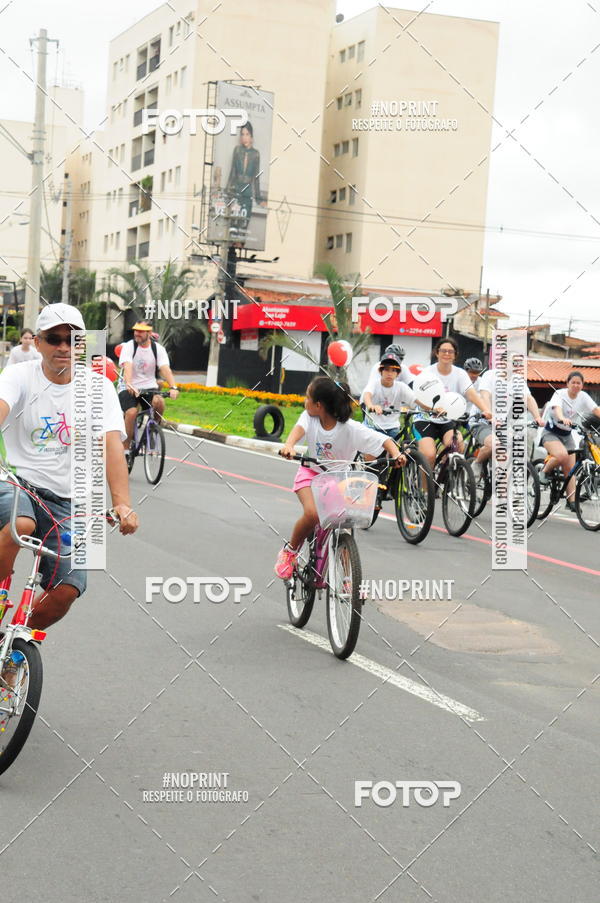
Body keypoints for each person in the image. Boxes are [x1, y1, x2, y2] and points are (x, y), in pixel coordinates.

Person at [0, 302, 139, 637]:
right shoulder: (19, 375)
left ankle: (14, 643)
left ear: (82, 343)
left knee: (69, 589)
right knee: (20, 522)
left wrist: (123, 503)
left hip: (72, 500)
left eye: (72, 339)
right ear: (38, 343)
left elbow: (111, 446)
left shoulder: (99, 387)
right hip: (19, 481)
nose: (63, 346)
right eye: (54, 338)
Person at [275, 376, 406, 579]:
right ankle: (290, 551)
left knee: (345, 525)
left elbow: (385, 440)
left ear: (318, 405)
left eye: (307, 397)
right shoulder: (310, 418)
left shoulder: (351, 428)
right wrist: (289, 445)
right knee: (312, 514)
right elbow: (297, 432)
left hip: (337, 481)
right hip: (310, 474)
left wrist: (396, 454)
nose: (304, 400)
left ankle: (348, 579)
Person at [413, 337, 491, 472]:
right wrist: (432, 408)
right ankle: (426, 492)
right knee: (429, 455)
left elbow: (471, 394)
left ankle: (445, 478)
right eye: (443, 351)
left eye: (451, 351)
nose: (447, 354)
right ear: (437, 353)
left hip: (446, 420)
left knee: (458, 446)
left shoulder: (460, 374)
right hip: (425, 419)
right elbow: (417, 397)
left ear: (455, 355)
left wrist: (486, 410)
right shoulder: (428, 372)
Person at [538, 371, 600, 510]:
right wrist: (561, 418)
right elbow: (557, 408)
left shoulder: (583, 396)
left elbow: (595, 410)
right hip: (551, 433)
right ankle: (544, 471)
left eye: (579, 383)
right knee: (561, 455)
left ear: (582, 385)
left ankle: (571, 501)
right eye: (573, 382)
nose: (576, 385)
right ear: (568, 383)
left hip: (567, 435)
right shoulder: (560, 394)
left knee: (570, 469)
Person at [474, 366, 545, 482]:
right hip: (482, 420)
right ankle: (477, 463)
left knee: (512, 447)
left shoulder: (518, 380)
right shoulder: (490, 375)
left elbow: (528, 399)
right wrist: (489, 414)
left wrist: (537, 417)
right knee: (494, 444)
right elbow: (484, 395)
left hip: (502, 424)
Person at [118, 322, 179, 451]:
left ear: (149, 333)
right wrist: (129, 383)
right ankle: (126, 448)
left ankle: (152, 431)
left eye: (141, 331)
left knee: (160, 402)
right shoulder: (129, 346)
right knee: (132, 412)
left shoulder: (158, 349)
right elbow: (127, 366)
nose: (137, 333)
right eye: (136, 330)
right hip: (129, 387)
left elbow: (164, 369)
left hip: (149, 387)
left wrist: (173, 387)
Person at [226, 122, 266, 240]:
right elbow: (232, 171)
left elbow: (256, 177)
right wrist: (228, 191)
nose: (244, 137)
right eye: (242, 134)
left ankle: (240, 242)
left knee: (244, 224)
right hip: (236, 190)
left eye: (247, 134)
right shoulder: (237, 150)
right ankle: (232, 244)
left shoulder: (255, 154)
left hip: (247, 192)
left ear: (251, 137)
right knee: (233, 225)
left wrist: (258, 198)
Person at [363, 353, 417, 438]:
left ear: (398, 373)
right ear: (380, 371)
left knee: (402, 448)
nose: (389, 373)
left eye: (393, 370)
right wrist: (371, 406)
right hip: (373, 427)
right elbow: (367, 395)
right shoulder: (374, 384)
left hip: (393, 427)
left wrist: (433, 409)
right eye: (386, 369)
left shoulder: (401, 386)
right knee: (372, 450)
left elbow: (416, 401)